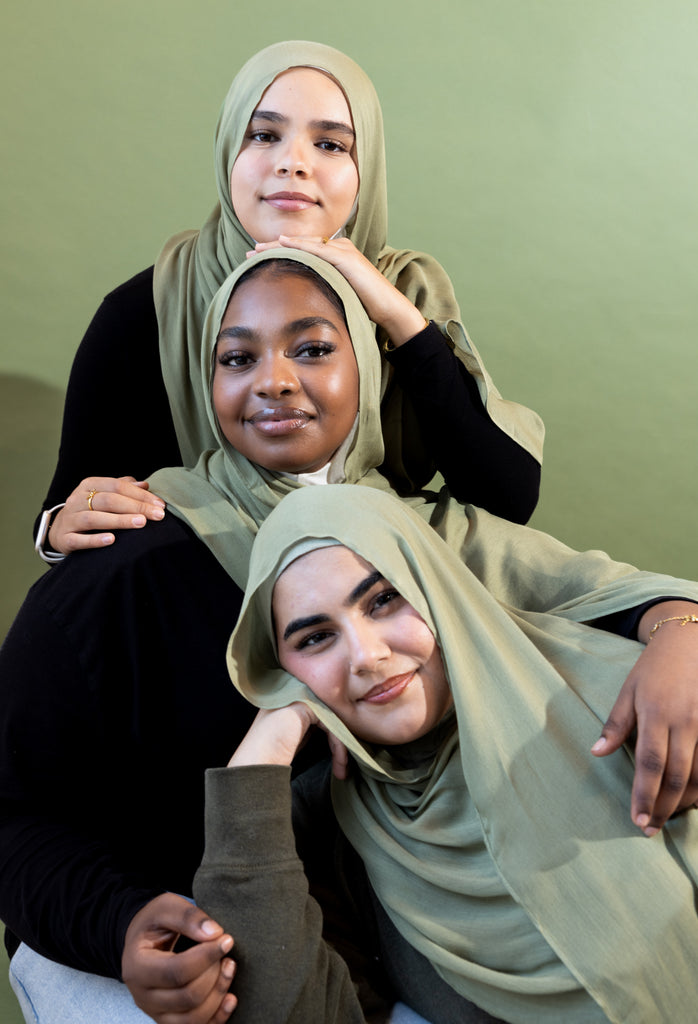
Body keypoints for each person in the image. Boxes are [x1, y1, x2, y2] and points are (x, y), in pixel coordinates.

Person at [0, 251, 690, 1024]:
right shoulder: (119, 568)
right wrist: (117, 923)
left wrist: (681, 634)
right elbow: (16, 813)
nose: (274, 381)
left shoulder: (430, 538)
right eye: (237, 357)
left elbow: (610, 589)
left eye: (315, 348)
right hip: (184, 924)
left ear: (365, 365)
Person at [199, 482, 698, 1023]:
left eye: (384, 600)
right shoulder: (324, 826)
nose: (367, 656)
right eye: (315, 638)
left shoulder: (620, 697)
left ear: (437, 588)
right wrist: (263, 751)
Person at [36, 39, 544, 562]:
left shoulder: (403, 291)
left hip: (386, 589)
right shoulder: (149, 307)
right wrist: (61, 525)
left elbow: (505, 499)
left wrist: (396, 319)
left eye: (330, 144)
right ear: (227, 151)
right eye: (263, 135)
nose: (293, 163)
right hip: (198, 600)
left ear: (365, 168)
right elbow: (74, 503)